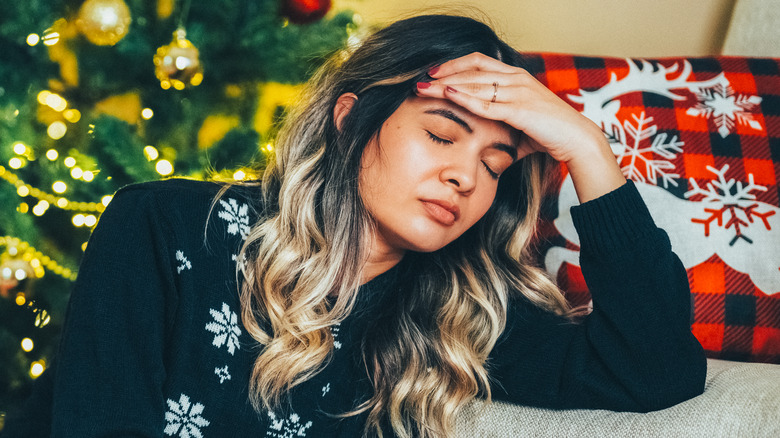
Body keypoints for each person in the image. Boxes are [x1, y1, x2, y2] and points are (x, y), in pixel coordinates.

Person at [1, 13, 706, 438]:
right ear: (350, 121)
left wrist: (588, 150)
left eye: (495, 165)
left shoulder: (459, 312)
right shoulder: (162, 226)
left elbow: (658, 370)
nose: (468, 177)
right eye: (440, 134)